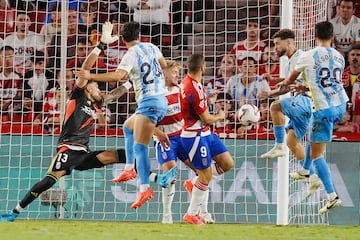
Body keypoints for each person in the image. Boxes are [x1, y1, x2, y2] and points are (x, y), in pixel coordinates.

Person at [0, 64, 127, 223]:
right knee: (48, 181)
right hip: (67, 149)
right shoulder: (78, 96)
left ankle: (152, 177)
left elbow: (114, 95)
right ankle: (14, 212)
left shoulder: (95, 105)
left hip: (83, 153)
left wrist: (131, 82)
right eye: (96, 88)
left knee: (119, 154)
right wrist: (99, 47)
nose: (99, 91)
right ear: (88, 89)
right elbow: (84, 75)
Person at [75, 21, 168, 209]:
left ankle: (144, 189)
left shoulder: (130, 54)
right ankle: (128, 169)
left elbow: (118, 76)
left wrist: (91, 76)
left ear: (122, 38)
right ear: (139, 35)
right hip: (160, 99)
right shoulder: (151, 46)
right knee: (127, 126)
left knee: (140, 147)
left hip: (149, 102)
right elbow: (163, 65)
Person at [278, 21, 348, 214]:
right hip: (341, 105)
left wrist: (281, 86)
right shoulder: (340, 57)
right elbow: (329, 84)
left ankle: (332, 196)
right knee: (312, 133)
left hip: (324, 110)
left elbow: (289, 81)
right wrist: (306, 88)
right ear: (332, 36)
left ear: (314, 36)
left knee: (317, 153)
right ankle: (305, 170)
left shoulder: (307, 56)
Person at [257, 29, 321, 197]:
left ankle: (278, 147)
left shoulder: (300, 58)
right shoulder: (289, 61)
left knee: (275, 107)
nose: (275, 48)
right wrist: (274, 80)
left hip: (305, 100)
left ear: (289, 43)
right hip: (300, 103)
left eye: (278, 44)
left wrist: (269, 94)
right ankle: (313, 177)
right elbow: (287, 81)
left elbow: (287, 86)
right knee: (292, 141)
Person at [180, 54, 234, 225]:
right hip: (194, 135)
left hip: (205, 133)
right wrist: (220, 115)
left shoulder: (191, 83)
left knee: (227, 163)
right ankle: (191, 214)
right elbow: (206, 118)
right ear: (203, 67)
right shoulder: (193, 88)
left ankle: (194, 183)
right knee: (206, 176)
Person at [3, 11, 46, 75]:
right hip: (13, 72)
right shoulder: (9, 39)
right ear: (16, 22)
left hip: (32, 72)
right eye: (20, 20)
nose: (24, 22)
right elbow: (2, 58)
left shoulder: (37, 37)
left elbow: (45, 56)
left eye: (26, 20)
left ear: (30, 23)